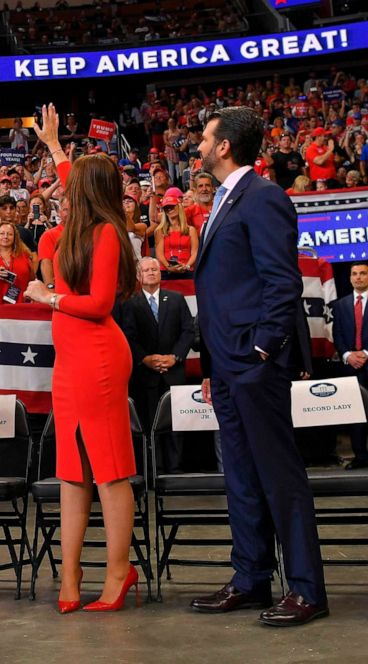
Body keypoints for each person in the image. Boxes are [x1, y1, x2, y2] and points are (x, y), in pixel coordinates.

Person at [191, 106, 327, 626]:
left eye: (205, 138)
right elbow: (221, 291)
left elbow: (281, 282)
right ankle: (250, 579)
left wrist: (262, 351)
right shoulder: (224, 202)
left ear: (224, 146)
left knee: (279, 476)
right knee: (242, 477)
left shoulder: (264, 197)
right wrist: (213, 364)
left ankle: (307, 589)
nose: (199, 145)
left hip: (253, 365)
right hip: (225, 367)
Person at [25, 101, 140, 615]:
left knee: (110, 468)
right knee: (72, 470)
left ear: (88, 194)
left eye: (74, 187)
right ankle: (70, 575)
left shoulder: (108, 233)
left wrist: (46, 298)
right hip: (68, 363)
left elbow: (97, 305)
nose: (65, 191)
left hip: (98, 355)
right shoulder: (77, 230)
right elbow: (73, 174)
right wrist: (52, 146)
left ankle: (118, 573)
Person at [120, 257, 195, 473]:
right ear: (138, 276)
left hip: (173, 372)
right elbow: (127, 337)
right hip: (145, 375)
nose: (151, 272)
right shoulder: (130, 303)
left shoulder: (177, 299)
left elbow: (188, 331)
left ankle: (175, 470)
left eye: (154, 269)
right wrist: (145, 359)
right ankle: (153, 469)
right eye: (146, 270)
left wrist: (175, 357)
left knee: (175, 424)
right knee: (148, 422)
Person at [329, 262, 368, 471]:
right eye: (355, 274)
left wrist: (366, 354)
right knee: (356, 415)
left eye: (362, 273)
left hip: (366, 360)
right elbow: (338, 334)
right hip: (351, 367)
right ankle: (360, 456)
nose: (358, 277)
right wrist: (346, 355)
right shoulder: (341, 304)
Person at [0, 222, 35, 305]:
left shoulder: (25, 257)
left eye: (10, 234)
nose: (5, 237)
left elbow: (32, 281)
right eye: (2, 233)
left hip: (22, 307)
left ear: (15, 238)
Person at [154, 194, 198, 279]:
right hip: (166, 272)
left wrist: (187, 266)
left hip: (187, 271)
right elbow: (159, 254)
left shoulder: (191, 230)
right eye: (166, 208)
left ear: (179, 207)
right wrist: (169, 267)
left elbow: (194, 252)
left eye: (172, 206)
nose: (169, 210)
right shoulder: (160, 230)